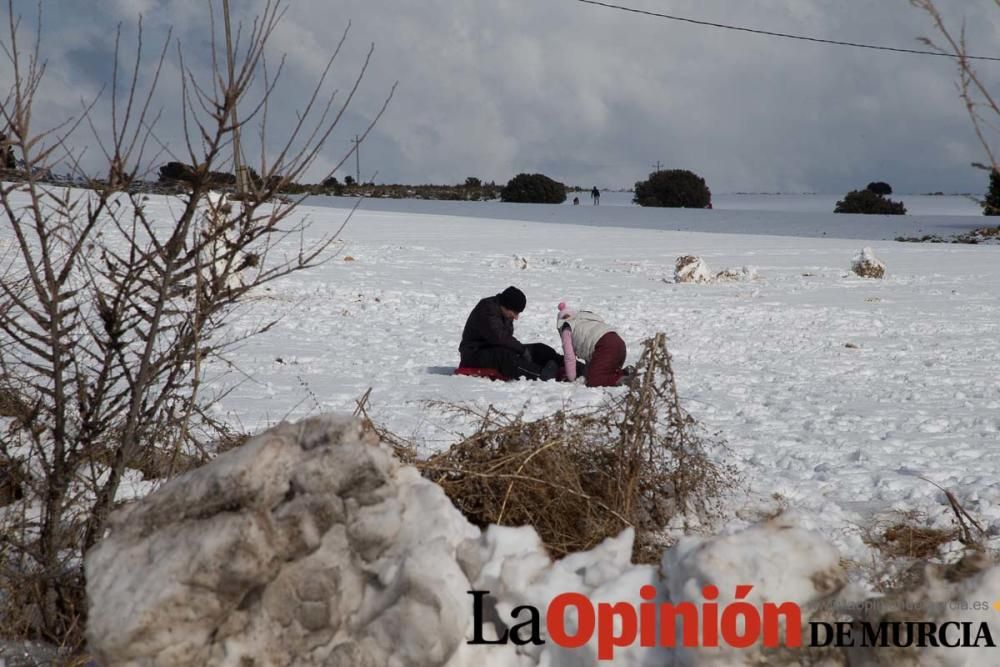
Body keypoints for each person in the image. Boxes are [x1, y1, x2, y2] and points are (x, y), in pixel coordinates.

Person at [459, 286, 561, 381]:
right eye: (515, 313)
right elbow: (500, 338)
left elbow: (506, 339)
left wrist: (523, 351)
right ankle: (542, 374)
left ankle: (565, 364)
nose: (516, 318)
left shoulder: (503, 313)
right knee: (507, 357)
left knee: (538, 348)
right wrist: (522, 350)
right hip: (473, 355)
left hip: (492, 349)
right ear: (505, 306)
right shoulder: (487, 309)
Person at [556, 302, 633, 387]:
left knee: (594, 380)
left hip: (605, 346)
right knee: (607, 372)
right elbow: (591, 352)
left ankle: (624, 379)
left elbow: (569, 357)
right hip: (619, 343)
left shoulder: (567, 330)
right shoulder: (587, 320)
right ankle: (627, 372)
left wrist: (571, 379)